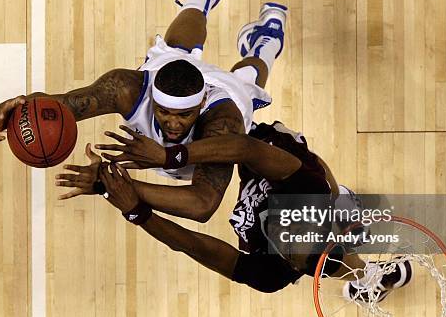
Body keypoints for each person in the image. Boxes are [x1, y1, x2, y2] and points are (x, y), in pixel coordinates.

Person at [0, 0, 288, 222]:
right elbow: (62, 106)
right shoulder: (127, 89)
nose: (172, 123)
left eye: (183, 115)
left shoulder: (223, 121)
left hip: (219, 114)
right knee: (177, 49)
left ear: (200, 105)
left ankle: (266, 43)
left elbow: (203, 204)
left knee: (246, 86)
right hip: (171, 78)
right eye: (164, 111)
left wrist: (111, 183)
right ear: (153, 96)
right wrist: (19, 108)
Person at [58, 122, 413, 296]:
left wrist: (134, 209)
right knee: (317, 178)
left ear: (290, 263)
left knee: (333, 262)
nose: (285, 231)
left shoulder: (271, 274)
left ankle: (368, 280)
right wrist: (168, 156)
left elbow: (192, 244)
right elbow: (245, 149)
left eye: (289, 246)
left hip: (276, 195)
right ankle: (346, 209)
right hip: (265, 145)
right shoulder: (307, 192)